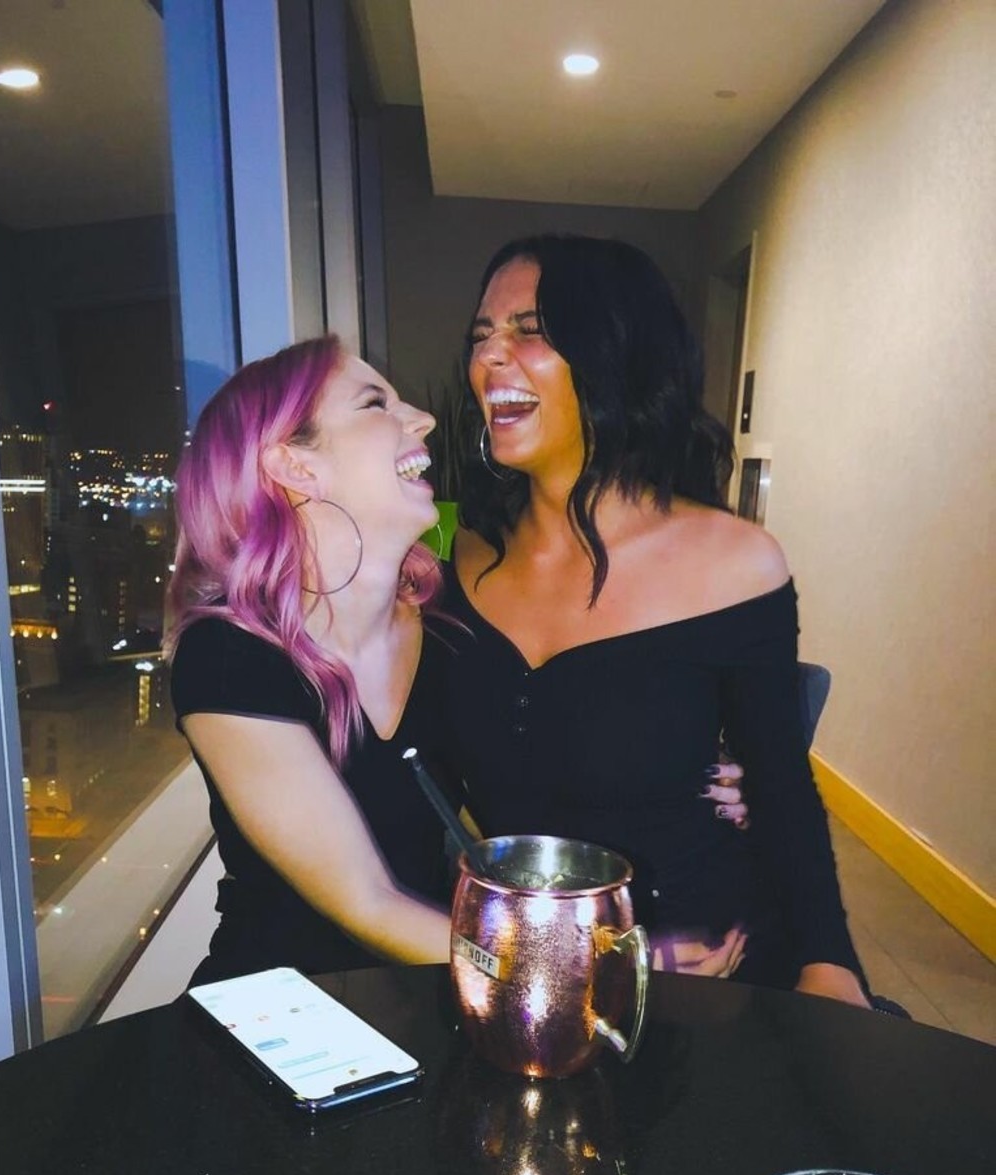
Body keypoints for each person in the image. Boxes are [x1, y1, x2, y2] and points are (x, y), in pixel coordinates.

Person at [439, 233, 869, 1006]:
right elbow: (416, 772)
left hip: (704, 974)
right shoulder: (460, 558)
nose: (489, 357)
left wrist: (830, 965)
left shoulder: (735, 561)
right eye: (482, 334)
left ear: (615, 356)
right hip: (522, 977)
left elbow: (781, 788)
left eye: (530, 330)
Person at [166, 336, 453, 984]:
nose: (423, 419)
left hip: (426, 1003)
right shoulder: (229, 656)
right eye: (376, 403)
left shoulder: (450, 623)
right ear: (296, 467)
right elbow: (367, 902)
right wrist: (573, 972)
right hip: (280, 1018)